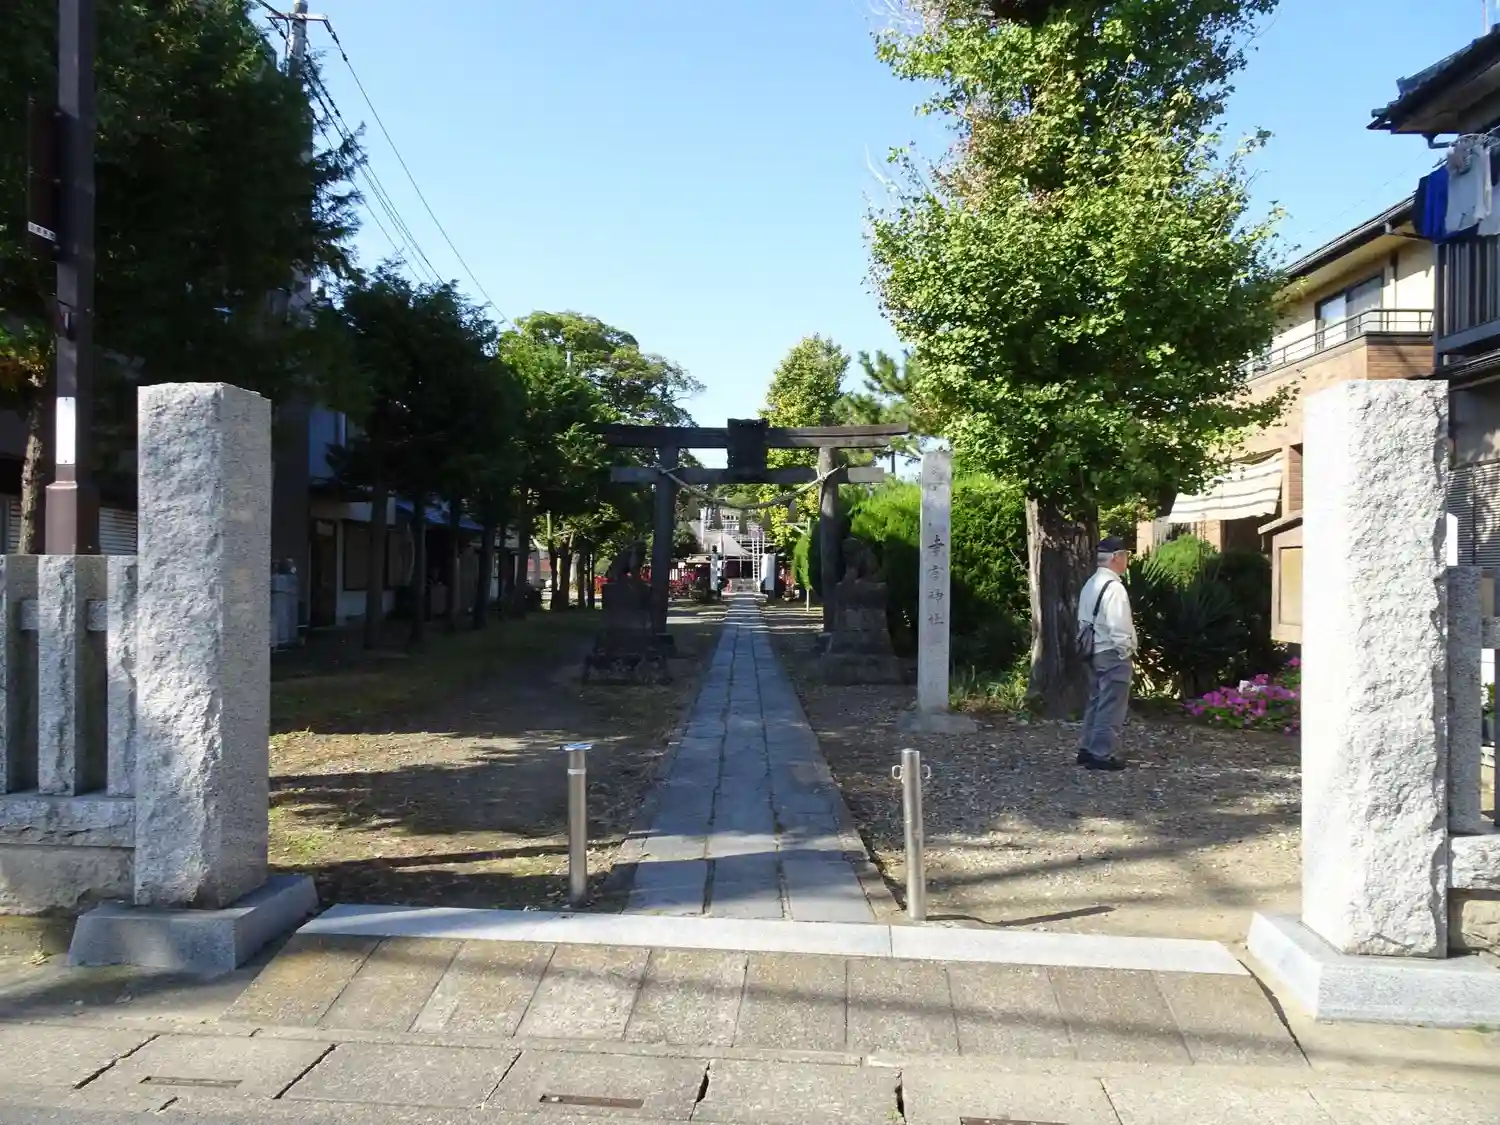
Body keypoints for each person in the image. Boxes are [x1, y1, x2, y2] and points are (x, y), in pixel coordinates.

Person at [1076, 536, 1136, 771]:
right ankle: (1101, 753)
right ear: (1116, 557)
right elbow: (1118, 626)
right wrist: (1125, 651)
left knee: (1096, 701)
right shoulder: (1115, 588)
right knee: (1111, 705)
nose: (1127, 560)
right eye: (1125, 555)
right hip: (1111, 652)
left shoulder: (1090, 583)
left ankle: (1087, 748)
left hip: (1093, 650)